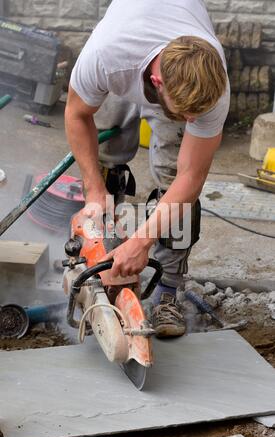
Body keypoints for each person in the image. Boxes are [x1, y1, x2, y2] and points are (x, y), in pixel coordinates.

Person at [65, 0, 230, 338]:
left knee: (173, 180)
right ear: (158, 81)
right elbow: (77, 114)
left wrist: (144, 240)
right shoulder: (107, 57)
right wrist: (94, 191)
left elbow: (191, 176)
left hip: (163, 56)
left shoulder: (214, 88)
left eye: (197, 114)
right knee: (106, 163)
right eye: (186, 112)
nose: (193, 121)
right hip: (127, 59)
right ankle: (105, 261)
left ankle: (168, 289)